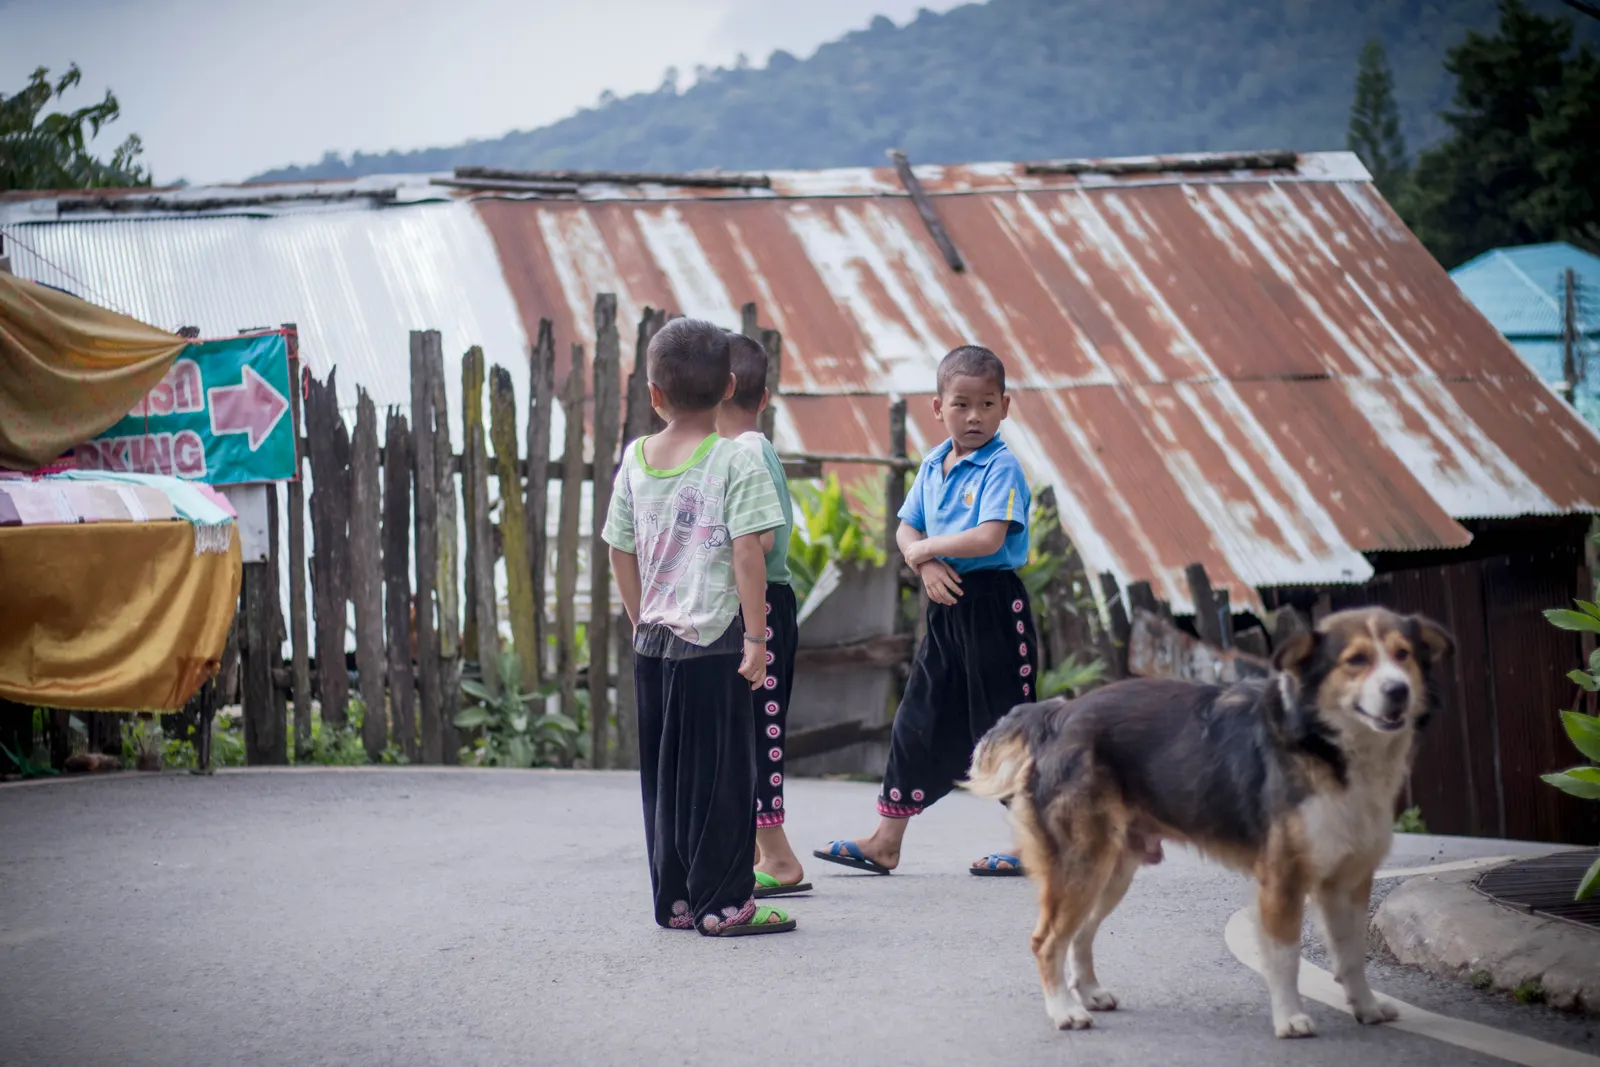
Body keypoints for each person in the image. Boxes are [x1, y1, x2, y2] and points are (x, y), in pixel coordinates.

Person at [603, 317, 798, 935]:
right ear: (729, 387)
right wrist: (759, 638)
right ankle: (724, 906)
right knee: (720, 778)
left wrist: (641, 621)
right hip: (713, 643)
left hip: (654, 643)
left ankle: (678, 901)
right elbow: (749, 554)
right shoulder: (734, 462)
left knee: (665, 778)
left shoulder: (634, 459)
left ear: (654, 394)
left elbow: (618, 550)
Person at [814, 344, 1037, 877]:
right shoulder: (936, 461)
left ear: (1005, 406)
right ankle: (885, 841)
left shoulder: (1001, 467)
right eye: (961, 404)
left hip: (993, 609)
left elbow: (988, 537)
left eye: (987, 404)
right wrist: (925, 563)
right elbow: (906, 524)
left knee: (1005, 725)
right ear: (938, 408)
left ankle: (1035, 844)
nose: (975, 416)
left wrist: (927, 551)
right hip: (945, 609)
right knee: (917, 716)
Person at [715, 332, 810, 899]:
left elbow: (761, 538)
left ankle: (778, 857)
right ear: (764, 395)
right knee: (751, 726)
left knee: (760, 730)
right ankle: (755, 849)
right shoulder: (750, 448)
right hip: (761, 603)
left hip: (764, 605)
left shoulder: (746, 452)